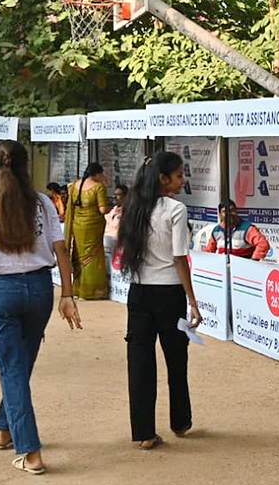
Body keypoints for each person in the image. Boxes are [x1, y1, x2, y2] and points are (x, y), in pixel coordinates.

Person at [0, 140, 82, 475]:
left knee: (13, 368)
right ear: (26, 167)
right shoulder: (42, 203)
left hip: (1, 291)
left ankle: (30, 451)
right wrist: (67, 295)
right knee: (20, 365)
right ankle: (3, 429)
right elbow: (61, 251)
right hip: (39, 290)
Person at [117, 152, 202, 449]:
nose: (183, 180)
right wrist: (192, 300)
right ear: (164, 178)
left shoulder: (133, 208)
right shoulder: (175, 209)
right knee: (176, 358)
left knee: (139, 362)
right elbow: (180, 258)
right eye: (179, 175)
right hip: (169, 293)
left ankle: (144, 433)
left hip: (139, 293)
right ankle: (180, 421)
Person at [64, 163, 110, 300]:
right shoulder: (98, 187)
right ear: (97, 174)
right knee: (92, 257)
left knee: (79, 254)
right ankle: (91, 291)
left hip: (77, 225)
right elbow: (102, 210)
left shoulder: (75, 186)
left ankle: (77, 289)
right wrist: (111, 208)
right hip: (93, 227)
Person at [203, 200, 271, 260]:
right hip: (222, 268)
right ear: (220, 215)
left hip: (242, 269)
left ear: (236, 211)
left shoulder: (247, 229)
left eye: (232, 210)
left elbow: (263, 244)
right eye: (225, 212)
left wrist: (253, 261)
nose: (229, 214)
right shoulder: (216, 230)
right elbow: (209, 250)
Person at [103, 183, 128, 259]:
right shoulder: (112, 210)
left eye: (118, 195)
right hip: (106, 244)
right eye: (114, 194)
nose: (115, 197)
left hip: (119, 247)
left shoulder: (128, 212)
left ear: (125, 197)